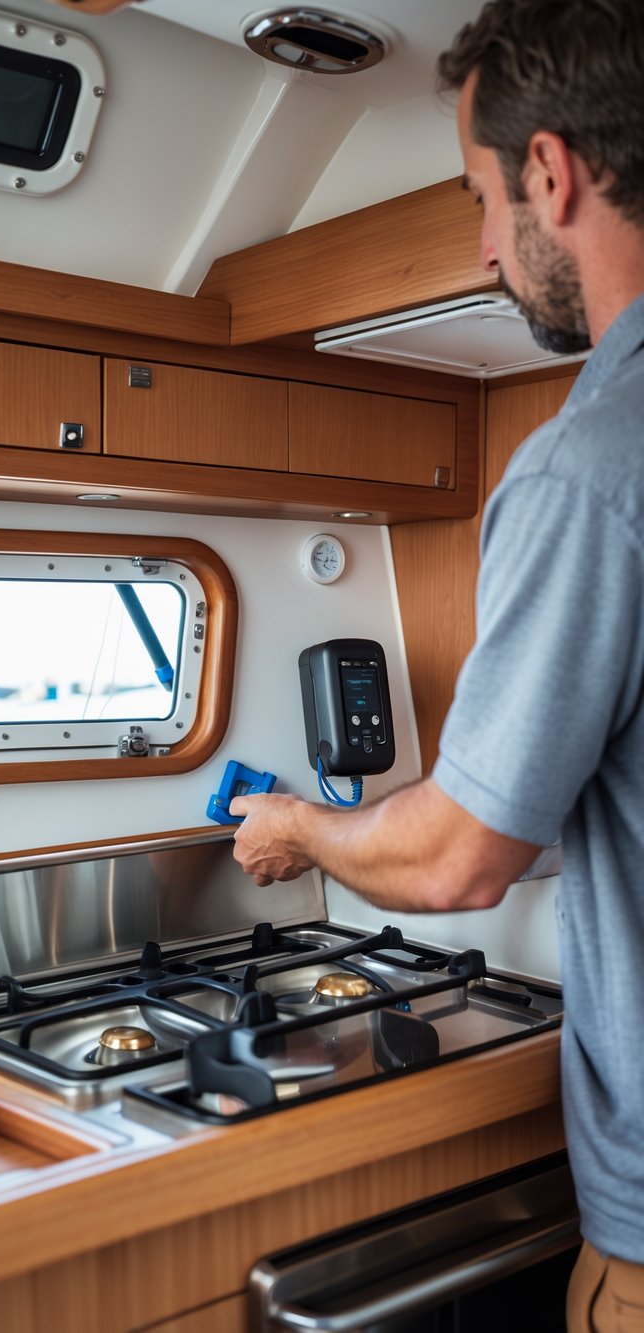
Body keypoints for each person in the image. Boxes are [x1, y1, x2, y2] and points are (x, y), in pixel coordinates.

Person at [230, 2, 644, 1327]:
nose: (479, 248)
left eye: (479, 195)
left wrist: (304, 821)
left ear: (549, 172)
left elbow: (462, 858)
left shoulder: (592, 467)